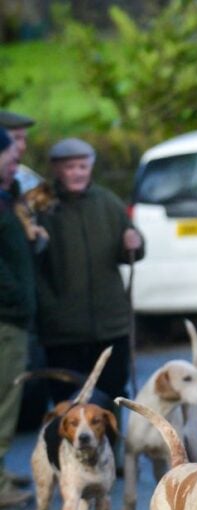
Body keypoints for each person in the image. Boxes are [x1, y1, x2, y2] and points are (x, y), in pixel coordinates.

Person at [34, 138, 144, 408]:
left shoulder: (108, 202)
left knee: (112, 398)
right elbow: (33, 266)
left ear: (91, 168)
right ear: (56, 169)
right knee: (66, 404)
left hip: (111, 325)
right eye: (70, 167)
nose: (77, 173)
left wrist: (135, 242)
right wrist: (49, 309)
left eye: (83, 166)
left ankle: (113, 452)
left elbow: (131, 250)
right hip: (62, 330)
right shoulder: (41, 208)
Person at [0, 129, 34, 507]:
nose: (15, 165)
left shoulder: (6, 197)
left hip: (12, 315)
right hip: (7, 317)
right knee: (5, 399)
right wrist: (15, 295)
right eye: (10, 159)